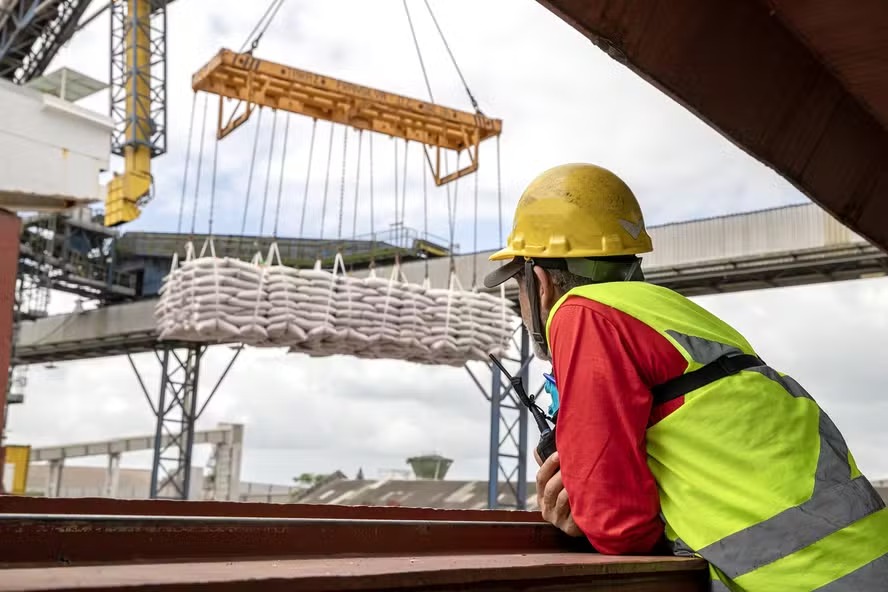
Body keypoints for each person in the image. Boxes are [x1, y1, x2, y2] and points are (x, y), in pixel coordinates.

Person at [483, 163, 888, 591]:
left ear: (539, 281)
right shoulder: (669, 314)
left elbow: (617, 526)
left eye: (516, 287)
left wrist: (588, 513)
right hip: (860, 561)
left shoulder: (581, 313)